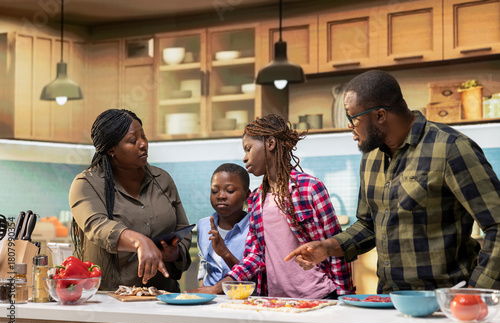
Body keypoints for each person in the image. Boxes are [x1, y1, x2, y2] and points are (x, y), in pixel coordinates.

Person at [286, 70, 500, 292]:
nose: (349, 125)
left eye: (353, 118)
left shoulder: (451, 148)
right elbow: (368, 224)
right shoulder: (370, 158)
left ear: (380, 115)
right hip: (389, 301)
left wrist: (477, 293)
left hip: (446, 304)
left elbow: (497, 224)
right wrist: (327, 247)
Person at [190, 114, 354, 298]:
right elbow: (254, 257)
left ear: (270, 143)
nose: (244, 158)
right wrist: (216, 288)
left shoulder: (309, 188)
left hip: (319, 295)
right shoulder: (256, 200)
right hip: (274, 298)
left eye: (248, 149)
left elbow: (336, 245)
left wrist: (344, 297)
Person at [69, 109, 192, 292]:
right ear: (111, 149)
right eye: (133, 141)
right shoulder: (86, 184)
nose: (143, 144)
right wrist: (139, 241)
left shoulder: (162, 179)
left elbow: (183, 229)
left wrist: (175, 253)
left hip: (164, 297)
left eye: (144, 137)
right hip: (110, 300)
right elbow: (98, 227)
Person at [197, 163, 251, 287]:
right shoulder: (204, 225)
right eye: (214, 191)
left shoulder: (254, 227)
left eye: (230, 191)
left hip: (241, 299)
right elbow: (204, 264)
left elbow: (251, 275)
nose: (221, 196)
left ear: (246, 195)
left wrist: (225, 253)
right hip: (210, 299)